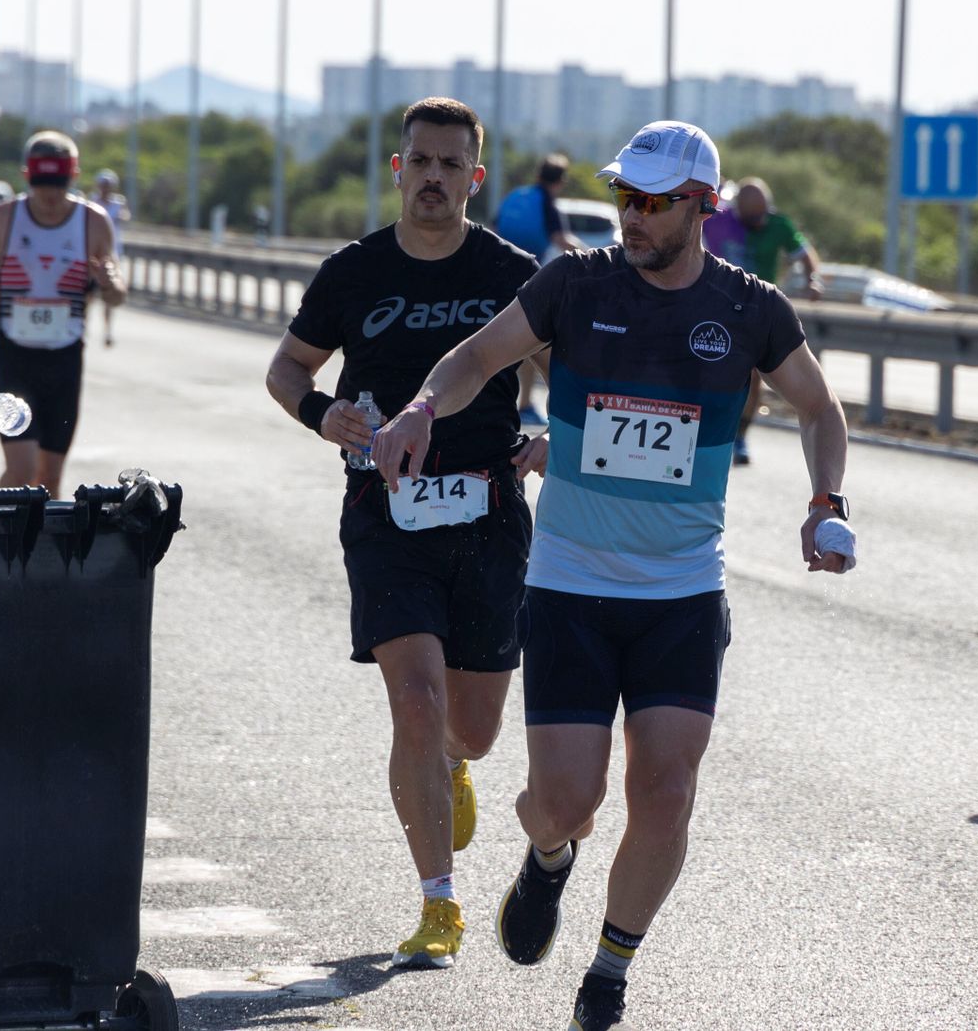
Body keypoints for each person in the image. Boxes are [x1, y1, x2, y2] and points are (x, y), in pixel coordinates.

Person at [373, 121, 855, 1031]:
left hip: (680, 591)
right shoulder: (572, 282)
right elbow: (477, 357)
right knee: (564, 800)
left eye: (651, 201)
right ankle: (548, 857)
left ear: (702, 209)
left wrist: (825, 501)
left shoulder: (751, 310)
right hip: (569, 586)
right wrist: (422, 408)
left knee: (666, 791)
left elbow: (820, 408)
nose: (630, 215)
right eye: (624, 197)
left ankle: (607, 976)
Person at [264, 98, 546, 971]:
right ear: (398, 169)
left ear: (475, 177)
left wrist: (552, 438)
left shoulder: (513, 271)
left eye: (449, 165)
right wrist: (325, 415)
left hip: (491, 513)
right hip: (386, 513)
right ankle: (439, 903)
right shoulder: (353, 272)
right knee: (415, 701)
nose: (432, 177)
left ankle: (457, 763)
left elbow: (564, 372)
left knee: (475, 727)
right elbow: (286, 369)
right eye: (418, 161)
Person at [0, 130, 126, 495]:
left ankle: (39, 552)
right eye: (41, 183)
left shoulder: (93, 222)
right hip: (12, 357)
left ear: (74, 176)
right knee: (21, 471)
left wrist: (110, 283)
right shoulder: (3, 218)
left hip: (64, 360)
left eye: (58, 182)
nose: (50, 194)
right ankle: (1, 538)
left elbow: (117, 296)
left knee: (50, 478)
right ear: (27, 177)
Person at [703, 177, 824, 465]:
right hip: (717, 307)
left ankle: (741, 437)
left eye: (761, 214)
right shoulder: (721, 221)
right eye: (751, 216)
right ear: (738, 211)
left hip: (757, 312)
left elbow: (805, 255)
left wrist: (813, 279)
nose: (758, 221)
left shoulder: (778, 225)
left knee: (753, 377)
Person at [495, 154, 584, 428]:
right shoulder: (547, 202)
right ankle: (524, 406)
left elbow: (495, 228)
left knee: (508, 341)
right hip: (526, 278)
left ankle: (515, 403)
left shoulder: (518, 195)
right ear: (560, 181)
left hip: (496, 272)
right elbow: (560, 239)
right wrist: (592, 258)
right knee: (532, 341)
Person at [89, 169, 131, 347]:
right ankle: (84, 328)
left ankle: (107, 331)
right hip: (92, 254)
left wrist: (122, 215)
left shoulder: (118, 204)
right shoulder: (91, 202)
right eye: (103, 185)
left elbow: (126, 217)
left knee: (109, 293)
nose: (105, 188)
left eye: (108, 185)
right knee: (88, 295)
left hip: (112, 254)